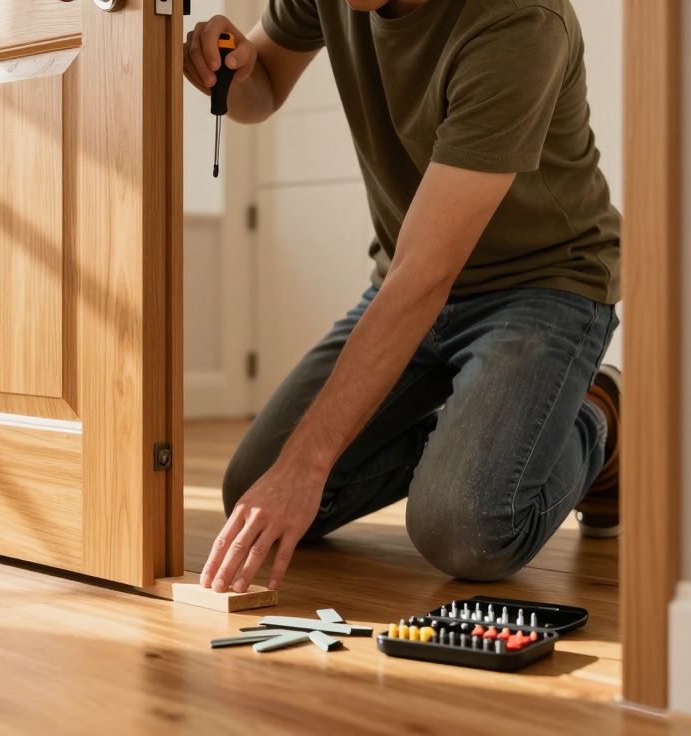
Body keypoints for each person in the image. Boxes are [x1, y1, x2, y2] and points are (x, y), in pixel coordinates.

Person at [184, 0, 622, 594]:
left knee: (466, 529)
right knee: (255, 484)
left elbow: (425, 273)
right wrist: (226, 65)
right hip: (408, 282)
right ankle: (476, 438)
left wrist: (308, 463)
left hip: (542, 285)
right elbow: (259, 92)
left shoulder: (519, 20)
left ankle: (603, 414)